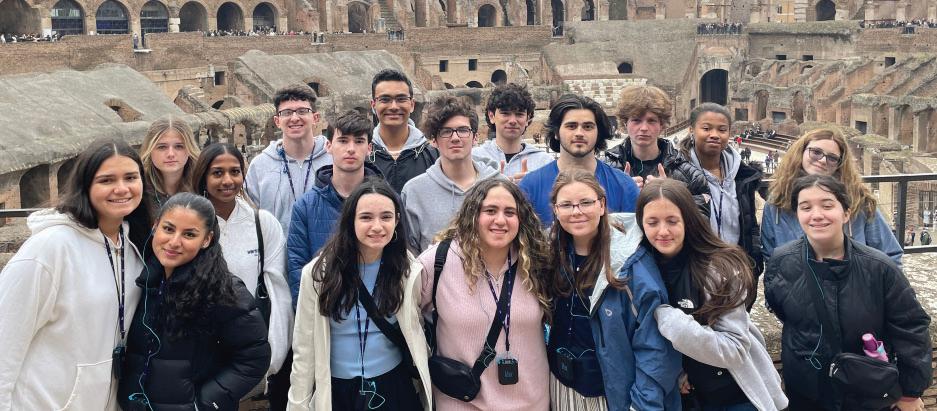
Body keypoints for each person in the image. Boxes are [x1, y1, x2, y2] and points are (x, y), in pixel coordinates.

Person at [0, 139, 152, 409]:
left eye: (130, 177)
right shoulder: (50, 248)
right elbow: (6, 339)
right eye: (106, 180)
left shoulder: (133, 246)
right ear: (85, 185)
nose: (121, 188)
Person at [764, 175, 932, 411]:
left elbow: (911, 329)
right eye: (806, 207)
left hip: (865, 393)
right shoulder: (780, 262)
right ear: (797, 214)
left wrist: (910, 393)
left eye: (827, 206)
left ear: (846, 213)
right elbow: (781, 309)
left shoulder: (880, 268)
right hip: (806, 391)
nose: (816, 215)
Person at [637, 179, 788, 411]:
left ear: (688, 220)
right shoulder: (645, 269)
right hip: (694, 396)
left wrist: (668, 319)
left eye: (672, 221)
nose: (663, 231)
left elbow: (734, 349)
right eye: (652, 222)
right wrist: (681, 370)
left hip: (738, 394)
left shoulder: (717, 268)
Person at [118, 193, 271, 410]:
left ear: (206, 239)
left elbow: (254, 357)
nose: (174, 242)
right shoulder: (143, 280)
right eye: (168, 229)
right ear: (155, 226)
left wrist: (205, 402)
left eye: (189, 234)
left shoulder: (223, 289)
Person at [289, 178, 432, 410]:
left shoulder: (408, 270)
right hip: (338, 390)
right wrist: (297, 404)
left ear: (397, 220)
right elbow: (304, 349)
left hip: (394, 385)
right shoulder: (318, 274)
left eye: (386, 217)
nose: (377, 226)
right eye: (366, 217)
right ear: (350, 220)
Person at [546, 170, 682, 411]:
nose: (576, 212)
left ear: (602, 205)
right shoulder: (550, 255)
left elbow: (655, 348)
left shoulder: (632, 266)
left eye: (586, 202)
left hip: (616, 395)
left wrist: (643, 405)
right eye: (566, 205)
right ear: (555, 210)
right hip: (561, 384)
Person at [419, 179, 552, 410]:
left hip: (532, 402)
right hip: (461, 402)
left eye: (510, 212)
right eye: (490, 211)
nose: (500, 220)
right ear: (473, 214)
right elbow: (404, 317)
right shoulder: (439, 261)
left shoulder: (537, 261)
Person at [191, 143, 293, 390]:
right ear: (203, 176)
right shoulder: (189, 225)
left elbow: (279, 293)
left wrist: (273, 357)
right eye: (217, 173)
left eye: (234, 172)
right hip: (203, 347)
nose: (228, 180)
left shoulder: (262, 223)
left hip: (251, 345)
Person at [761, 127, 903, 267]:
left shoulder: (857, 200)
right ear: (801, 152)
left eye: (832, 158)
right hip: (795, 281)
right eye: (816, 152)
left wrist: (869, 282)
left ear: (839, 164)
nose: (823, 160)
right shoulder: (776, 203)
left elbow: (890, 254)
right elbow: (771, 259)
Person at [288, 110, 381, 307]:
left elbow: (399, 260)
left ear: (369, 148)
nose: (351, 149)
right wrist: (307, 315)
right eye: (343, 141)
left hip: (378, 310)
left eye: (359, 141)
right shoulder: (305, 206)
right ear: (329, 146)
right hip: (326, 310)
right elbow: (297, 270)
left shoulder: (387, 202)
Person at [675, 103, 763, 303]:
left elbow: (750, 223)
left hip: (738, 271)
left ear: (729, 133)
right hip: (695, 272)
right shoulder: (677, 173)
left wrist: (754, 263)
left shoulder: (743, 175)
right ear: (691, 130)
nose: (714, 135)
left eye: (722, 130)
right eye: (706, 128)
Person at [519, 94, 639, 227]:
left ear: (598, 133)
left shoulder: (625, 187)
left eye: (587, 127)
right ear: (556, 132)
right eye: (571, 126)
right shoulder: (529, 187)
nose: (579, 133)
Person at [402, 96, 502, 251]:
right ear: (433, 140)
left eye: (463, 130)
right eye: (446, 131)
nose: (455, 138)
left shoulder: (501, 185)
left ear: (475, 137)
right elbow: (410, 254)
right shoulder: (414, 192)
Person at [246, 84, 332, 235]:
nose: (294, 118)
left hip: (327, 248)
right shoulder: (259, 165)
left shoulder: (333, 159)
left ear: (315, 118)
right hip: (276, 249)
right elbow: (249, 217)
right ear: (277, 121)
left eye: (302, 111)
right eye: (286, 113)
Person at [607, 84, 708, 196]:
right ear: (625, 123)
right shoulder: (606, 167)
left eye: (651, 121)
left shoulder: (685, 171)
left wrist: (670, 194)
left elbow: (704, 204)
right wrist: (620, 195)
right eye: (636, 120)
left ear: (662, 125)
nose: (644, 128)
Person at [368, 69, 439, 192]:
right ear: (373, 105)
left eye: (401, 99)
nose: (394, 107)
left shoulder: (434, 156)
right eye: (385, 99)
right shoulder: (363, 155)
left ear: (412, 104)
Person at [472, 83, 553, 181]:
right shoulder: (474, 158)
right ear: (491, 116)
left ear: (528, 119)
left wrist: (532, 186)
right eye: (505, 113)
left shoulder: (545, 163)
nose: (513, 121)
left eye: (519, 114)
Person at [140, 116, 200, 209]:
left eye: (179, 146)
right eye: (162, 147)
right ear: (150, 150)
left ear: (189, 148)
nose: (170, 154)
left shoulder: (203, 184)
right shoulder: (139, 188)